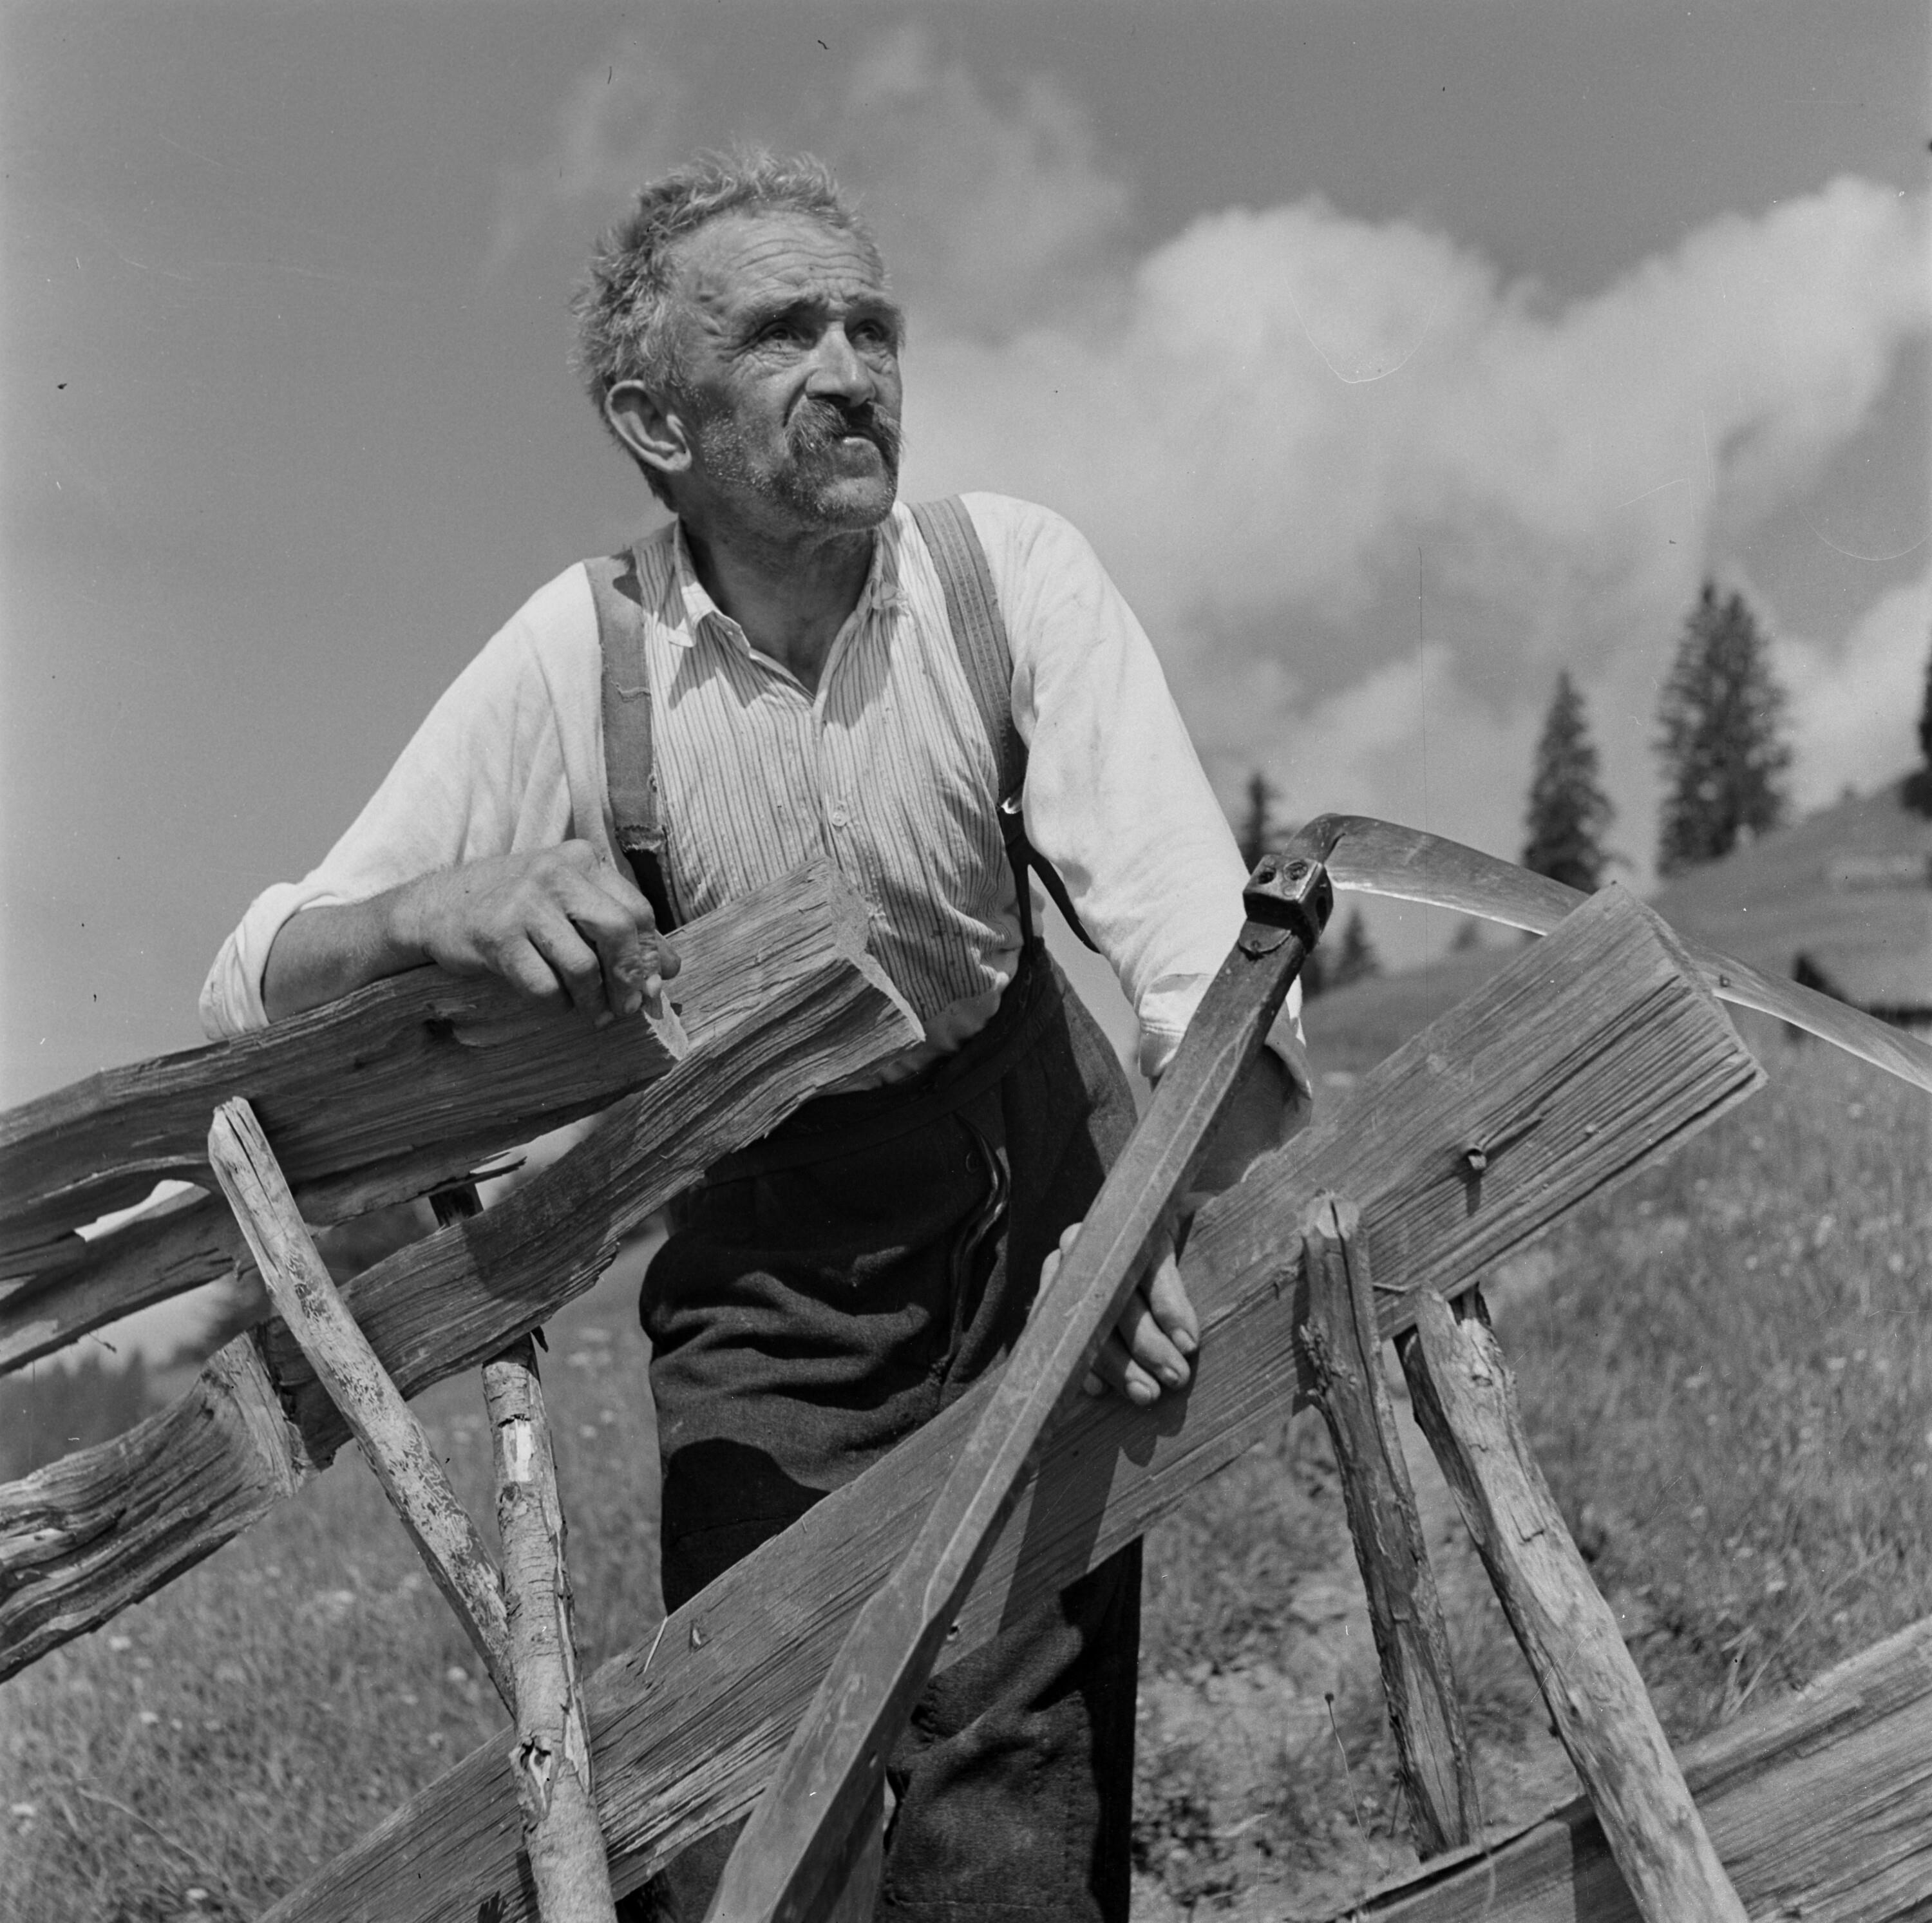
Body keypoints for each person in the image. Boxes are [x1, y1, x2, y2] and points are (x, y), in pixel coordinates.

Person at [201, 150, 1309, 1922]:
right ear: (657, 423)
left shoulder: (1003, 577)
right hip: (771, 1285)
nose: (853, 371)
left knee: (1013, 1818)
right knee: (745, 1809)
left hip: (1047, 1211)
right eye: (787, 333)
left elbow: (1215, 976)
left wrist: (1140, 1223)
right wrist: (427, 910)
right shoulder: (583, 657)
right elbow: (254, 980)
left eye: (873, 327)